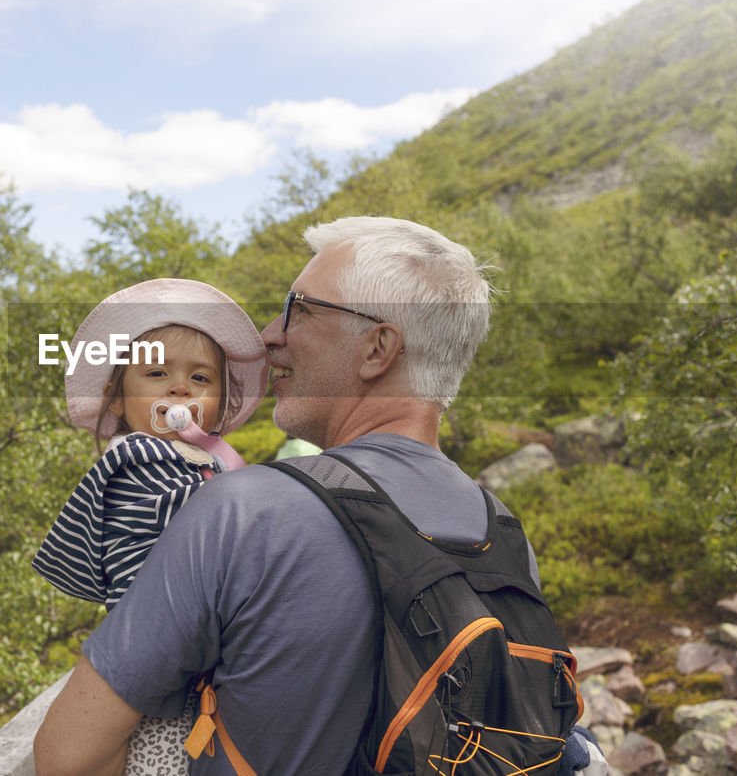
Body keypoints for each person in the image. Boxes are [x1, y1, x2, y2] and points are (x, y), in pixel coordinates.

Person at [33, 217, 544, 775]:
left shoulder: (240, 512)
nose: (270, 332)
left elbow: (67, 758)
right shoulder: (503, 532)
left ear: (377, 348)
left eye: (299, 309)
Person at [31, 277, 270, 776]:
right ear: (116, 400)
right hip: (154, 648)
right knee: (161, 756)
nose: (180, 387)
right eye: (157, 373)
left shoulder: (196, 457)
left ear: (220, 402)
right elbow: (192, 525)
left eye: (201, 379)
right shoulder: (139, 455)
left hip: (182, 647)